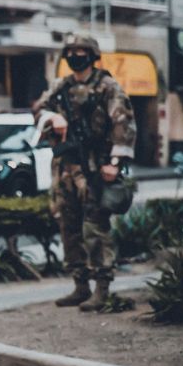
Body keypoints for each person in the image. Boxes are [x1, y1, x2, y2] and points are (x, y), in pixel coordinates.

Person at [35, 33, 136, 311]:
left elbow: (124, 123)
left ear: (92, 55)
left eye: (81, 51)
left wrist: (114, 162)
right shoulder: (61, 86)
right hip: (65, 168)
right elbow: (39, 109)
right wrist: (52, 116)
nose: (75, 56)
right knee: (68, 226)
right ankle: (80, 285)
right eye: (71, 51)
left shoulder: (107, 86)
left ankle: (102, 287)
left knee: (95, 227)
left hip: (94, 167)